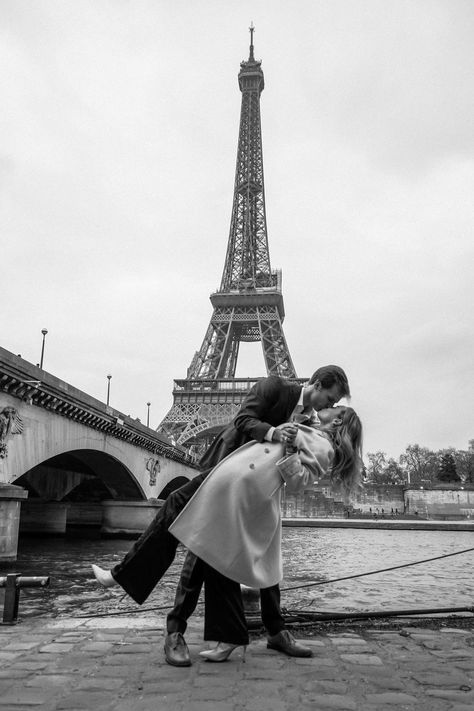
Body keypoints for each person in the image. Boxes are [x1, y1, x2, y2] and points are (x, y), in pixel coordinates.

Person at [92, 365, 350, 665]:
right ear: (317, 384)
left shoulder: (308, 420)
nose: (330, 406)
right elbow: (242, 420)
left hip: (259, 489)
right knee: (196, 541)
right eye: (330, 398)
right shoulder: (274, 387)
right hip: (228, 471)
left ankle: (252, 632)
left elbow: (299, 467)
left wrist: (291, 447)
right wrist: (274, 432)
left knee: (263, 556)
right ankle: (179, 628)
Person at [169, 406, 363, 662]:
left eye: (333, 405)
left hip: (254, 496)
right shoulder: (306, 422)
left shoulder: (323, 446)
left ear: (337, 420)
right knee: (217, 554)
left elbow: (298, 482)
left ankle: (205, 632)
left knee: (213, 553)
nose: (326, 406)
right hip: (240, 486)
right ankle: (243, 633)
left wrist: (292, 449)